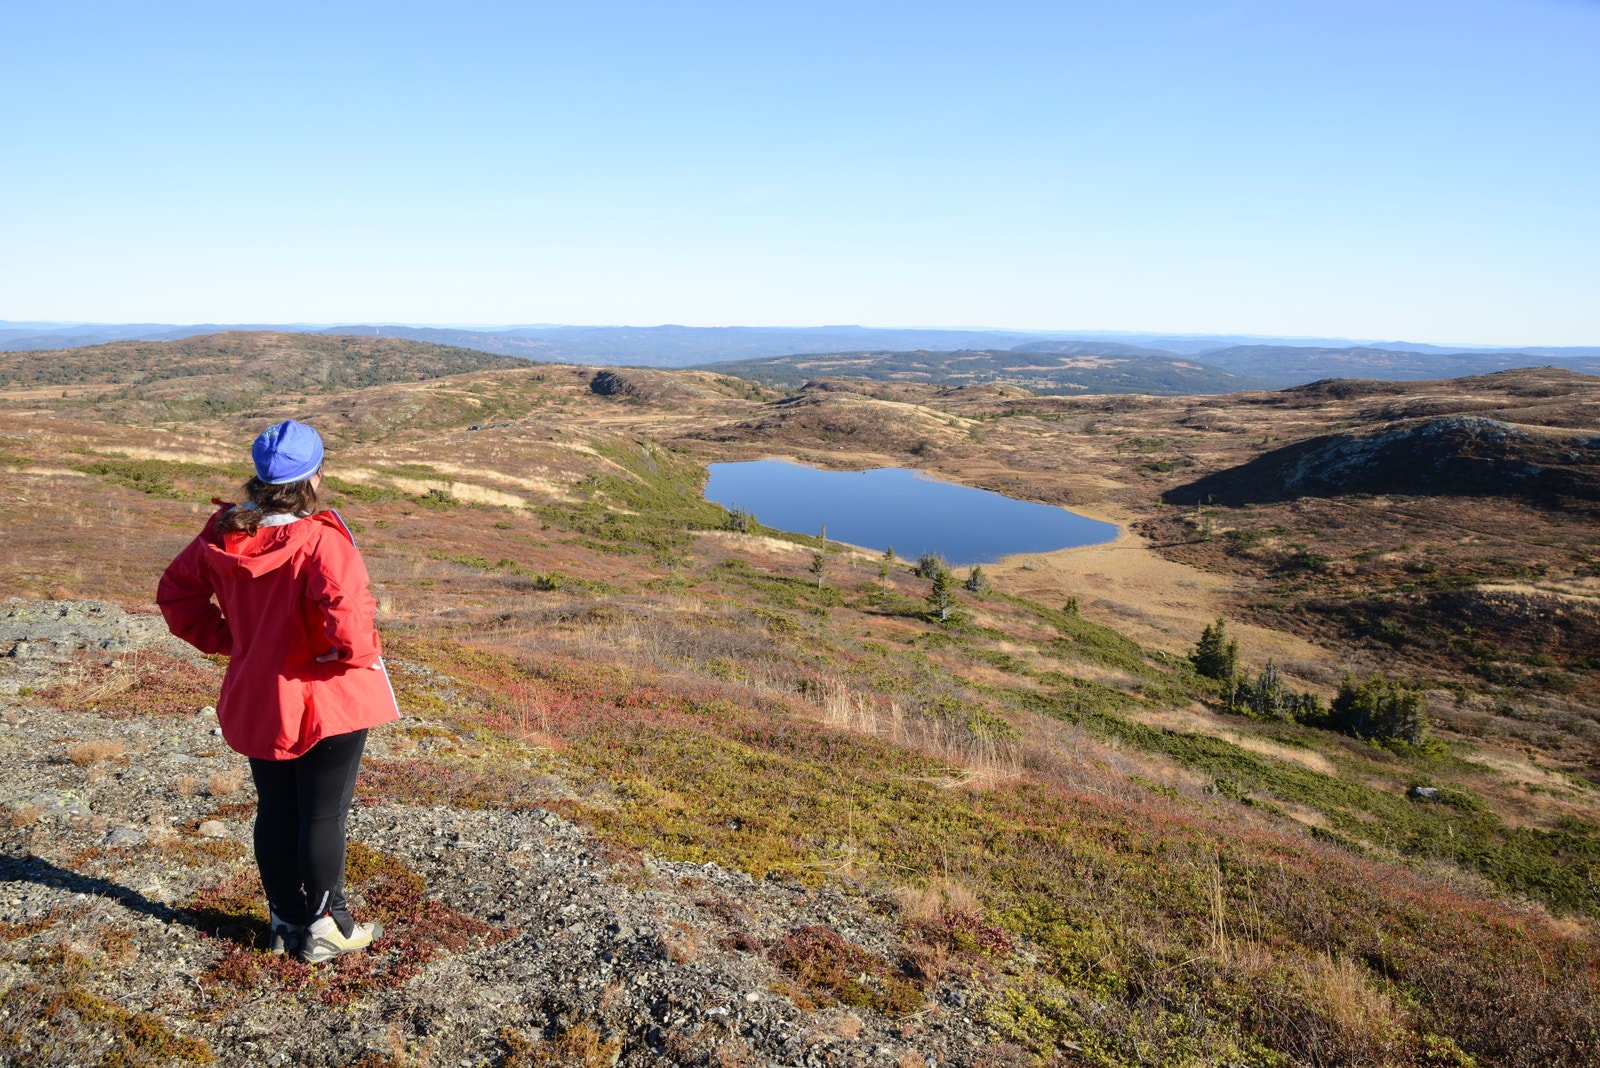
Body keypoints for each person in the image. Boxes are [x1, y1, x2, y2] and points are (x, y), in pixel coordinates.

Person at [158, 419, 399, 963]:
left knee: (275, 810)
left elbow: (176, 596)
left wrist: (230, 640)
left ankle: (284, 923)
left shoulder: (223, 534)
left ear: (259, 477)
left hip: (258, 698)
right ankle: (327, 929)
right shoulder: (320, 540)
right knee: (322, 815)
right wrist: (351, 655)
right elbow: (353, 630)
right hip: (325, 703)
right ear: (314, 477)